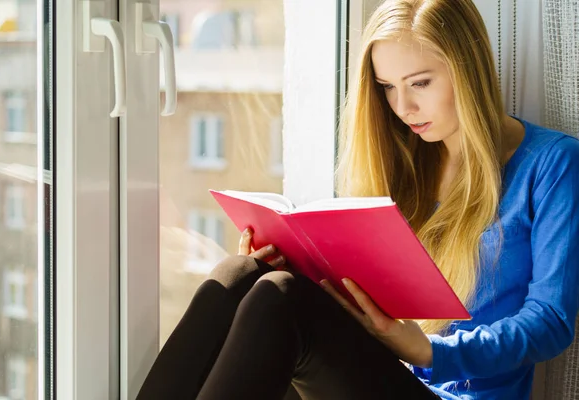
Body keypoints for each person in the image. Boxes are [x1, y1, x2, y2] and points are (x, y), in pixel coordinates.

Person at [137, 0, 579, 398]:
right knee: (244, 274)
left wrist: (429, 351)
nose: (402, 107)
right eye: (387, 87)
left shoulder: (551, 163)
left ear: (468, 70)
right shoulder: (407, 164)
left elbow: (550, 321)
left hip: (454, 393)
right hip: (383, 371)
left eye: (420, 83)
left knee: (280, 296)